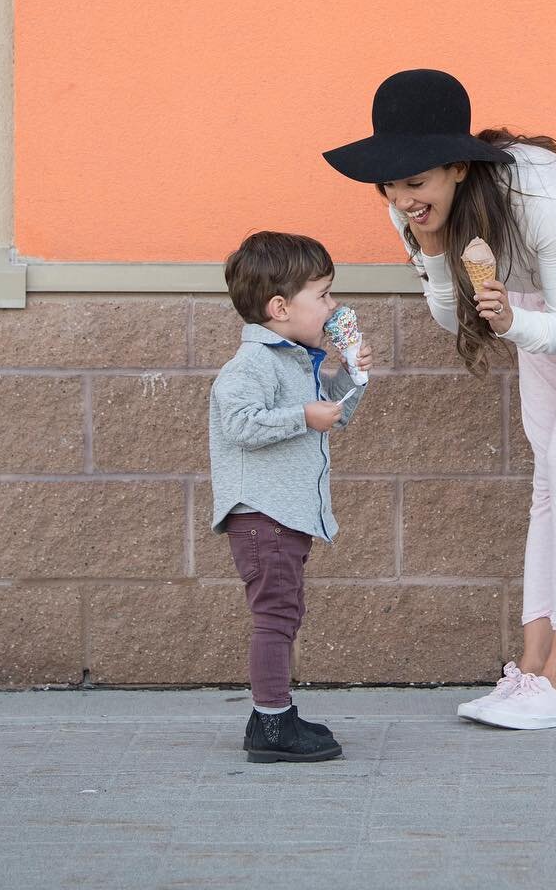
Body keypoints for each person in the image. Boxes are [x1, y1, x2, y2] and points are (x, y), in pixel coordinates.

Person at [324, 70, 556, 730]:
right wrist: (431, 251)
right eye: (390, 184)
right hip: (540, 302)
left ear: (458, 166)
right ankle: (533, 671)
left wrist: (512, 325)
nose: (402, 198)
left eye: (415, 181)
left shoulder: (536, 195)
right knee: (550, 473)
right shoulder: (417, 210)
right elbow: (446, 314)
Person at [208, 230, 374, 762]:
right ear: (280, 307)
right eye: (322, 295)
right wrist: (303, 415)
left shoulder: (300, 360)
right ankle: (272, 725)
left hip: (286, 516)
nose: (332, 306)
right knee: (275, 617)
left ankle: (275, 711)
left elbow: (336, 417)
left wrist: (352, 372)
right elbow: (238, 425)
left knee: (284, 613)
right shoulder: (253, 365)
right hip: (262, 516)